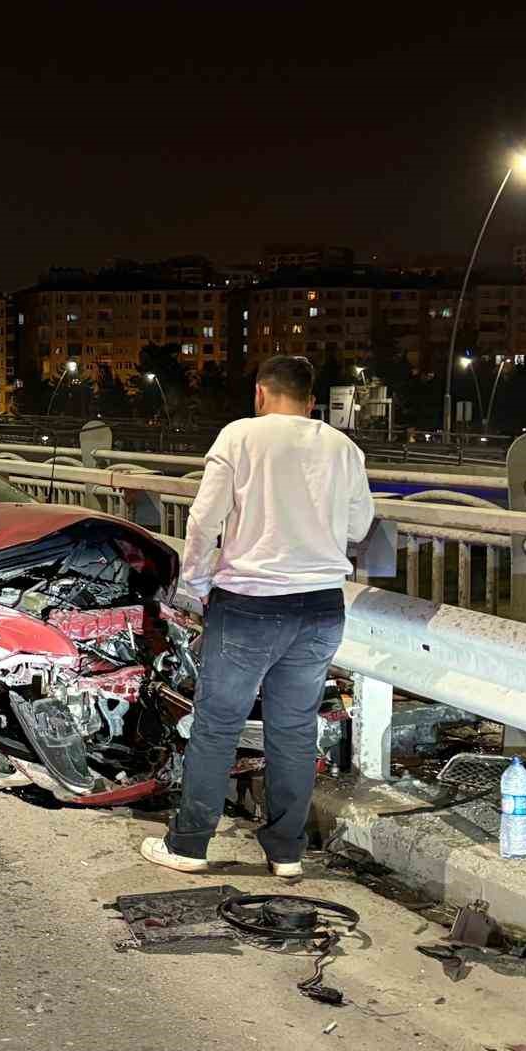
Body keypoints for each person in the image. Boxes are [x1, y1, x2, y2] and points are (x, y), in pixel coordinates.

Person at [141, 355, 374, 878]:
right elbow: (359, 526)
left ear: (260, 393)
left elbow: (203, 521)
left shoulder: (239, 438)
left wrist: (194, 588)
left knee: (217, 725)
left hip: (249, 604)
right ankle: (287, 853)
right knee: (293, 731)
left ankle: (190, 845)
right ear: (312, 402)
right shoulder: (343, 448)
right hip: (318, 606)